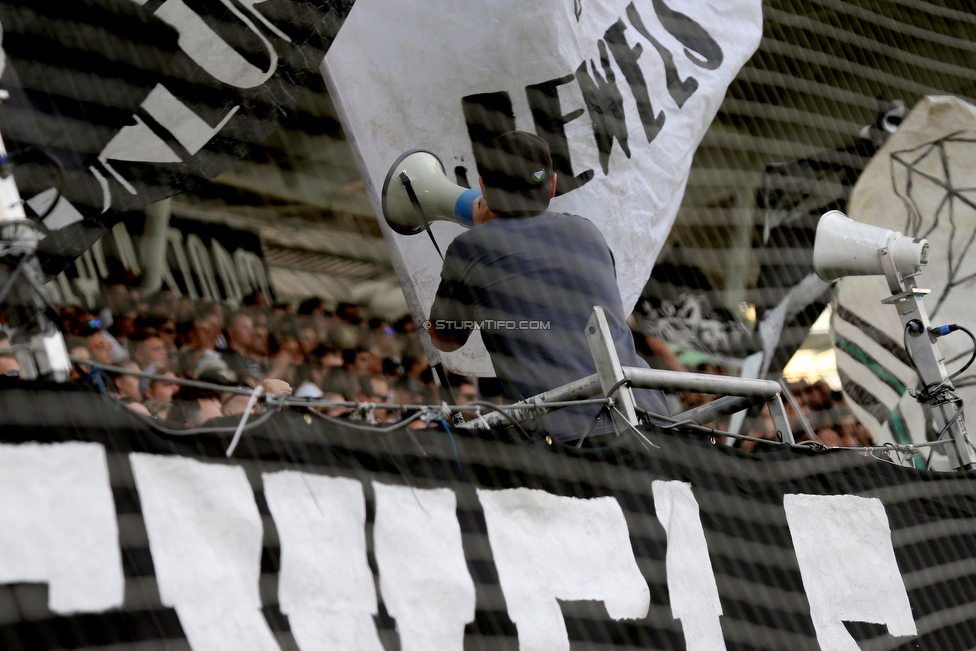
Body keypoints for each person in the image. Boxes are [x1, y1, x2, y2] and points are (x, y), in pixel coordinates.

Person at [428, 130, 669, 440]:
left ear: (483, 186)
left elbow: (445, 338)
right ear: (552, 184)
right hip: (647, 414)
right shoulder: (589, 232)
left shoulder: (469, 248)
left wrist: (482, 237)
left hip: (563, 436)